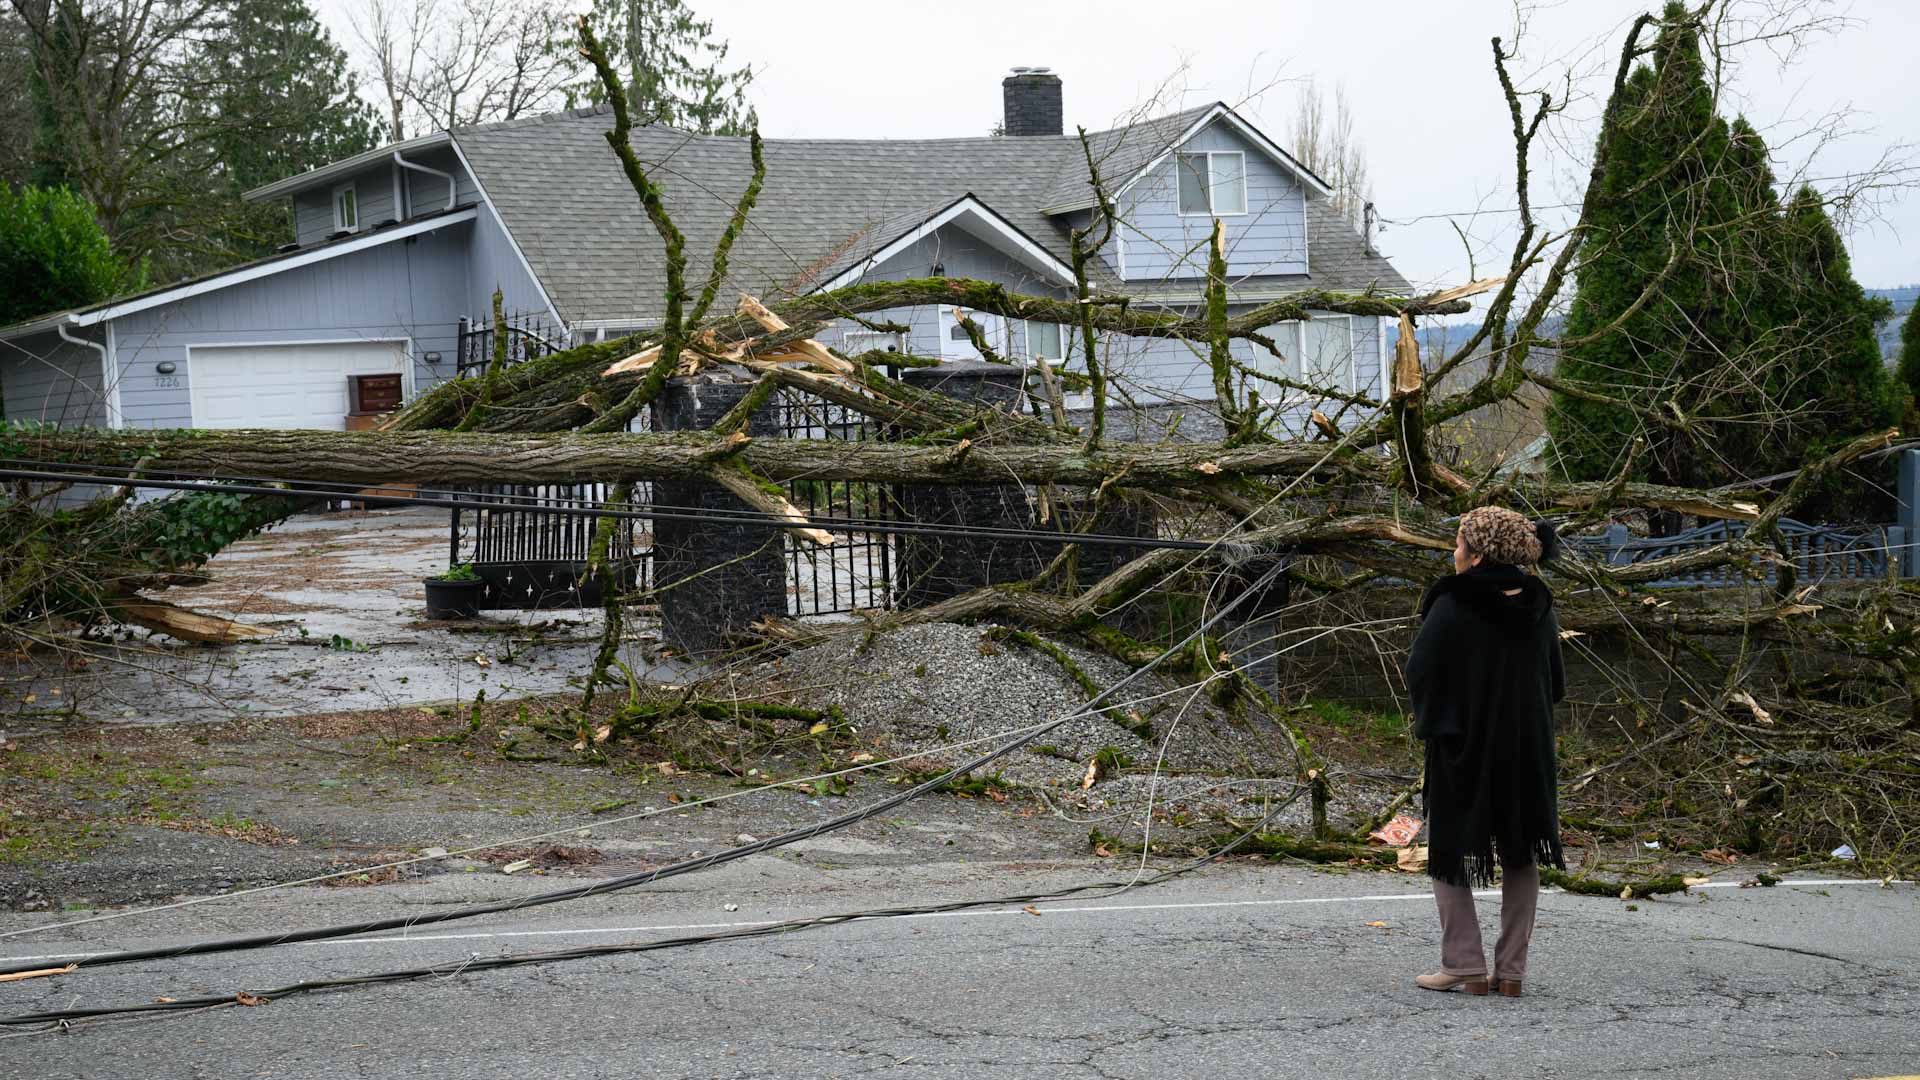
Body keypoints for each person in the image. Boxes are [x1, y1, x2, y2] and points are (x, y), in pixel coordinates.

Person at [1404, 505, 1566, 998]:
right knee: (1521, 851)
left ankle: (1464, 964)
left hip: (1464, 746)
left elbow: (1421, 672)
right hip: (1527, 748)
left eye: (1458, 544)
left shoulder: (1453, 602)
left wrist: (1436, 722)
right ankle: (1511, 972)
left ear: (1476, 556)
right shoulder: (1541, 604)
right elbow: (1555, 682)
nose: (1453, 553)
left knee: (1450, 851)